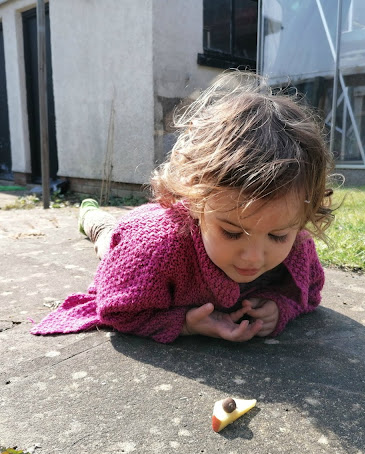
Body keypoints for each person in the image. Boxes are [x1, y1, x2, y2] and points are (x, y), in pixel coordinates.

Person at [30, 71, 335, 343]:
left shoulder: (297, 242)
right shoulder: (151, 249)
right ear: (197, 204)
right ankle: (89, 212)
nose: (253, 257)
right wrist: (186, 324)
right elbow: (118, 309)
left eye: (277, 236)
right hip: (129, 239)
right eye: (231, 232)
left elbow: (308, 292)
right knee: (105, 237)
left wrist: (280, 307)